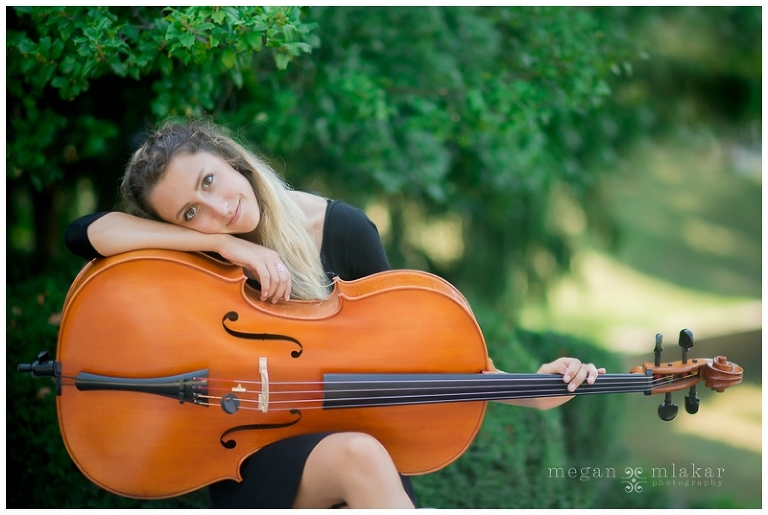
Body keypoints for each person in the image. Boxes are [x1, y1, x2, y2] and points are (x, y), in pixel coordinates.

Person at [64, 119, 605, 509]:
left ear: (230, 159)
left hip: (354, 455)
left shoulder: (343, 230)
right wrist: (232, 248)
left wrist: (531, 389)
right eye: (190, 212)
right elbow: (85, 232)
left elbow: (412, 358)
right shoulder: (203, 249)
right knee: (361, 456)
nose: (216, 208)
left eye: (209, 182)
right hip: (253, 458)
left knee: (361, 455)